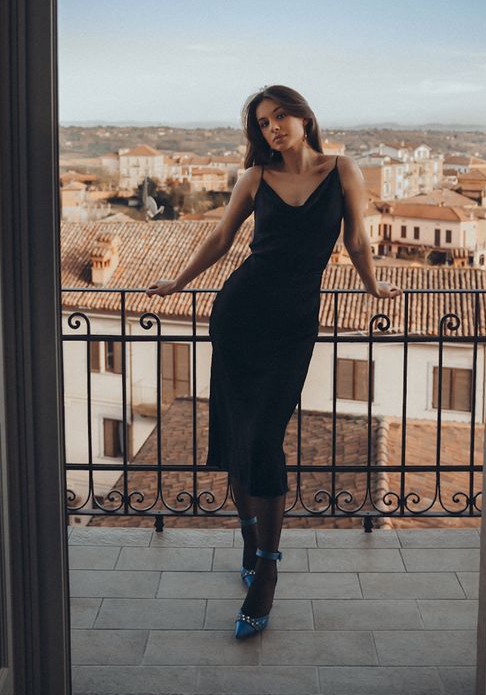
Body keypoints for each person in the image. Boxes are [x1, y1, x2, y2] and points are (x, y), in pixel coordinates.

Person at [145, 85, 401, 639]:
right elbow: (220, 236)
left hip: (292, 325)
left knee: (263, 438)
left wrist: (374, 285)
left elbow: (357, 239)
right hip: (239, 313)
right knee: (240, 436)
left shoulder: (343, 170)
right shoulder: (254, 178)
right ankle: (252, 542)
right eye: (263, 122)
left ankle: (266, 566)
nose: (273, 128)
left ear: (304, 117)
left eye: (281, 116)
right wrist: (179, 282)